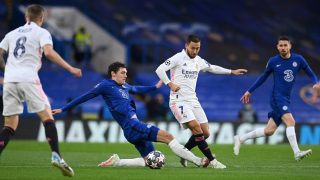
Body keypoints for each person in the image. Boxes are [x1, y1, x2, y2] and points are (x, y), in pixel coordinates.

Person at [52, 62, 226, 169]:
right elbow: (86, 96)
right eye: (122, 73)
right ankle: (198, 160)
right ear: (113, 74)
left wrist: (155, 87)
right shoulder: (105, 86)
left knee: (148, 160)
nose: (125, 76)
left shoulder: (125, 87)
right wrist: (64, 109)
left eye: (126, 73)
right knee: (169, 137)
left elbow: (137, 89)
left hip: (131, 129)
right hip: (132, 125)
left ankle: (117, 162)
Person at [0, 4, 82, 177]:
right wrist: (71, 68)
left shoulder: (11, 34)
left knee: (9, 125)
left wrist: (4, 69)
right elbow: (49, 53)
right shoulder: (42, 32)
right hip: (29, 78)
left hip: (9, 81)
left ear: (26, 17)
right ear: (41, 18)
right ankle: (57, 156)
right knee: (47, 117)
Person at [155, 34, 247, 168]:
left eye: (198, 48)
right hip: (178, 101)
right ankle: (213, 161)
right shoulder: (177, 58)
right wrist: (170, 84)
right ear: (186, 45)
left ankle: (184, 153)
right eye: (193, 48)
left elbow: (212, 68)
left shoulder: (198, 60)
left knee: (205, 133)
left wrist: (231, 71)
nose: (195, 51)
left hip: (193, 100)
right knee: (196, 128)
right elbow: (160, 69)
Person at [234, 35, 320, 161]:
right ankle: (297, 152)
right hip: (277, 97)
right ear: (277, 47)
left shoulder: (299, 59)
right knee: (291, 122)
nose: (283, 48)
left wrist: (315, 83)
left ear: (290, 46)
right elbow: (263, 77)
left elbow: (310, 73)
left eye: (285, 45)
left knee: (269, 131)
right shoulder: (273, 61)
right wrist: (249, 91)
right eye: (281, 45)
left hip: (286, 98)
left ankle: (241, 138)